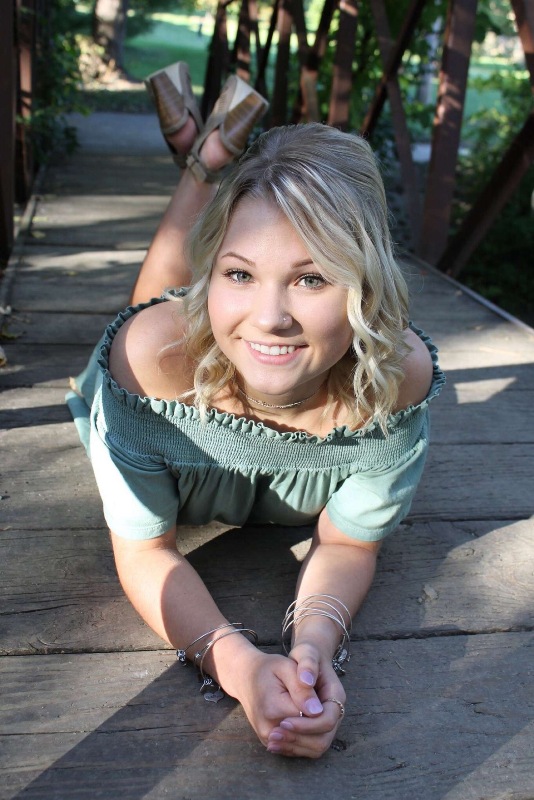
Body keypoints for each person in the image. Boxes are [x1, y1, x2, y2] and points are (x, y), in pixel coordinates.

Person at [66, 61, 445, 759]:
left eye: (311, 278)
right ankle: (207, 163)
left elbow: (349, 544)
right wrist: (238, 667)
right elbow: (145, 551)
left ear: (365, 284)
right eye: (238, 273)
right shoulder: (147, 368)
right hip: (168, 361)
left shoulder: (397, 380)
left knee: (189, 318)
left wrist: (313, 647)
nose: (271, 317)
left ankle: (207, 152)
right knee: (151, 318)